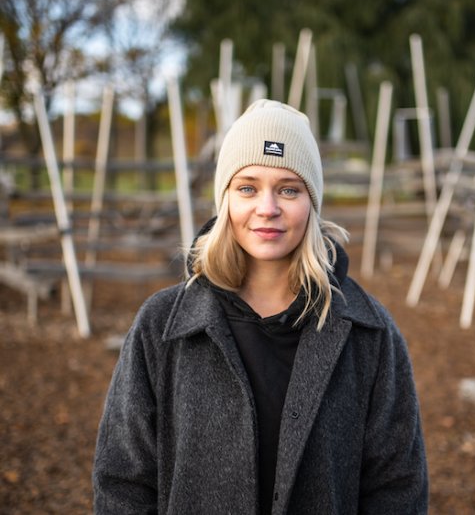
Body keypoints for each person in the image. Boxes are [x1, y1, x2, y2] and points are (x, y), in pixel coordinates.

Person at [93, 99, 429, 514]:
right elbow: (123, 483)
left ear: (312, 202)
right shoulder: (161, 327)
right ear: (226, 200)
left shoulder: (370, 335)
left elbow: (397, 489)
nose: (267, 208)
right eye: (247, 187)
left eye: (289, 189)